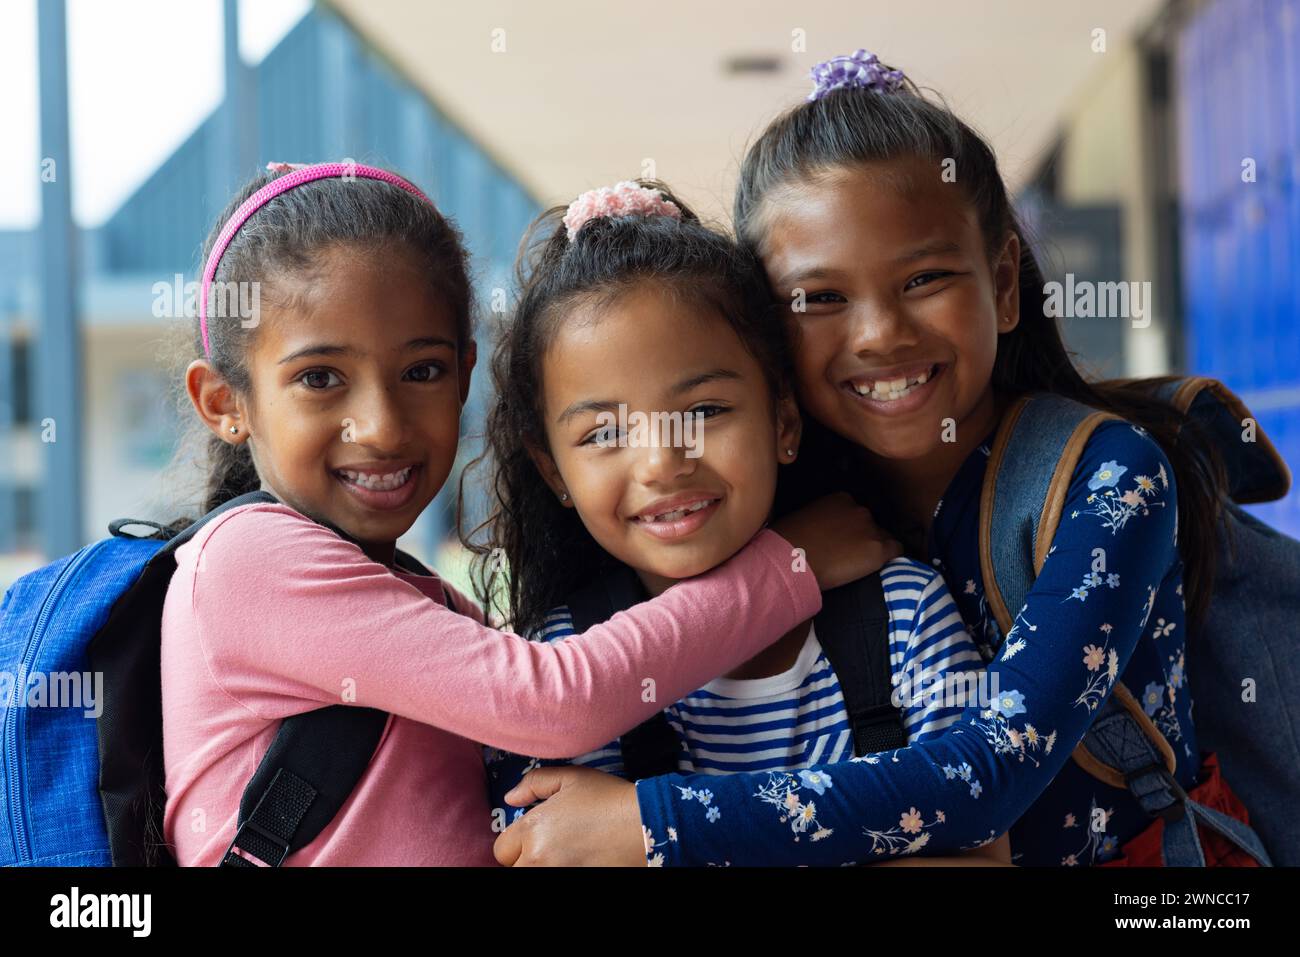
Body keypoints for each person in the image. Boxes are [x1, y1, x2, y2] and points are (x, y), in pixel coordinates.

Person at [494, 51, 1251, 867]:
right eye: (820, 298)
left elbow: (988, 774)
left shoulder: (1109, 475)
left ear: (1002, 282)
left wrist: (649, 825)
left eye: (924, 277)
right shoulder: (771, 503)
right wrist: (778, 573)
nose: (880, 334)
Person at [160, 161, 883, 866]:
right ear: (225, 401)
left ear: (466, 373)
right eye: (320, 378)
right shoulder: (247, 560)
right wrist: (790, 565)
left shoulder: (424, 599)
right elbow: (554, 699)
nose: (379, 424)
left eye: (422, 370)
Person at [461, 181, 1005, 865]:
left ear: (782, 420)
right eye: (605, 433)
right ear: (552, 471)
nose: (662, 463)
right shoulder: (558, 663)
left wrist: (653, 833)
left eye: (707, 411)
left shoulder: (902, 611)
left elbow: (984, 851)